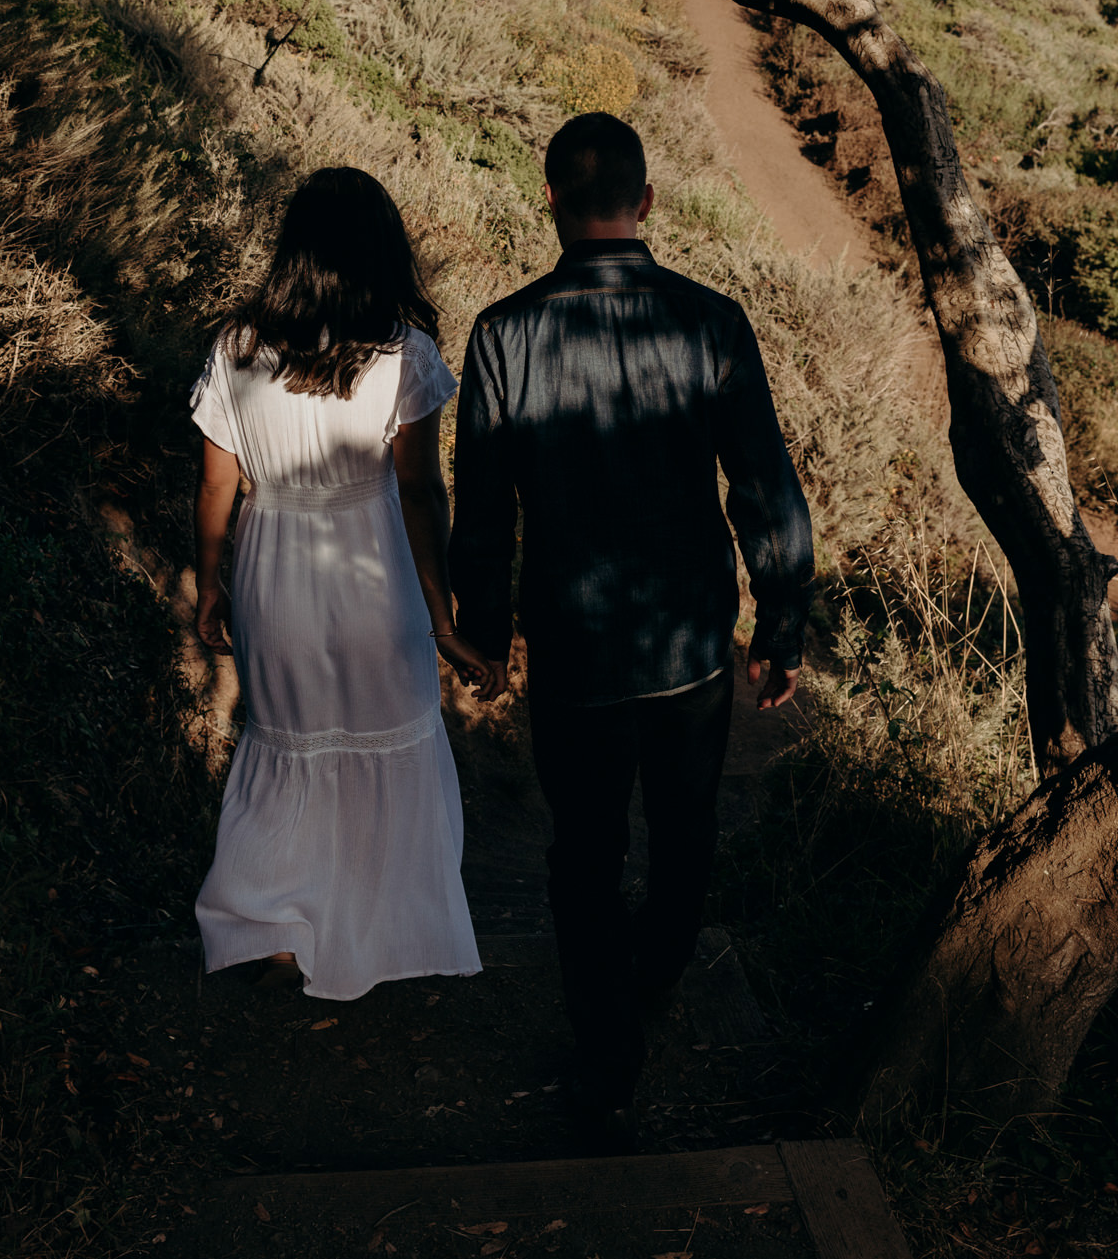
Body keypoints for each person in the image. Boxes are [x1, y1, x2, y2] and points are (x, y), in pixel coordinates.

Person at [447, 112, 814, 1144]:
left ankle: (606, 1060)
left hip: (571, 647)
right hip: (689, 642)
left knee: (582, 851)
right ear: (646, 201)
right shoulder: (710, 322)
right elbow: (762, 485)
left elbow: (482, 508)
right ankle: (655, 971)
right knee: (686, 825)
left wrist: (482, 630)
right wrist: (779, 620)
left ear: (551, 198)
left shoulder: (502, 332)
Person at [190, 166, 499, 1001]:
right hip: (375, 573)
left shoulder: (238, 347)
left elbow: (218, 485)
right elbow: (420, 491)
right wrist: (443, 618)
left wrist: (212, 584)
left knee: (286, 743)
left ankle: (280, 924)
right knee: (387, 744)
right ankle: (385, 934)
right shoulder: (405, 352)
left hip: (273, 571)